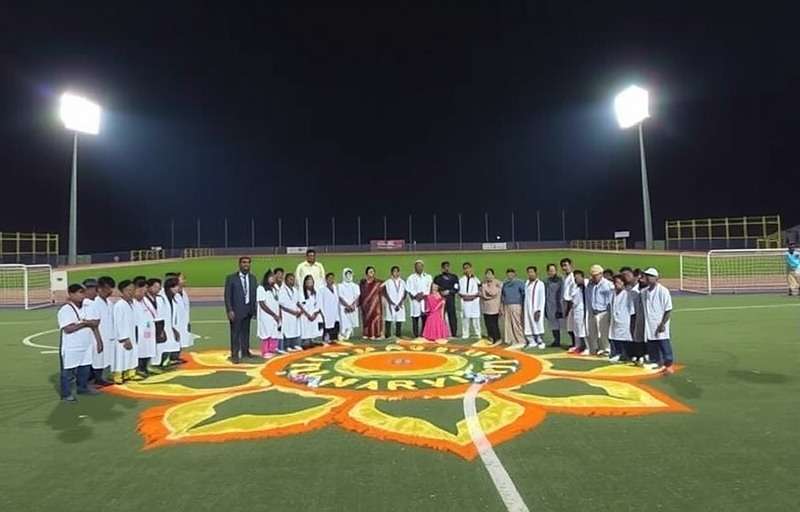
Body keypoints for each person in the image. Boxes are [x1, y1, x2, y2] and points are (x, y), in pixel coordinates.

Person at [58, 284, 98, 401]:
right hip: (72, 346)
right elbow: (68, 329)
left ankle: (82, 388)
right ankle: (66, 394)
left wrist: (82, 323)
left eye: (83, 292)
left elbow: (95, 322)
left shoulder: (86, 306)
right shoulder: (65, 310)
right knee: (68, 371)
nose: (82, 295)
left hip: (86, 344)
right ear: (71, 294)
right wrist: (84, 323)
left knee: (84, 369)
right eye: (80, 292)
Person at [224, 256, 258, 363]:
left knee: (246, 332)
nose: (246, 264)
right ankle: (234, 355)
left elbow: (254, 295)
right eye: (244, 262)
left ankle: (245, 351)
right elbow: (227, 296)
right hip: (236, 310)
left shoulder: (253, 278)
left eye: (248, 262)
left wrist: (254, 310)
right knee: (235, 333)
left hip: (248, 310)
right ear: (239, 264)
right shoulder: (231, 278)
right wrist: (229, 310)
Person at [641, 268, 675, 374]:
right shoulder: (644, 292)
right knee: (651, 342)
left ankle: (668, 363)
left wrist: (663, 323)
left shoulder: (663, 291)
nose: (647, 278)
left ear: (656, 278)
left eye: (650, 276)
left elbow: (668, 309)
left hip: (659, 322)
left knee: (663, 342)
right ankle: (655, 361)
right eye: (646, 276)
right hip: (649, 322)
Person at [81, 278, 109, 386]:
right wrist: (99, 340)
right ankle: (95, 379)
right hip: (91, 334)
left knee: (94, 357)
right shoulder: (89, 303)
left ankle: (92, 378)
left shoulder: (88, 302)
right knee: (96, 356)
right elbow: (94, 324)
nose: (95, 291)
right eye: (93, 289)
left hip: (90, 334)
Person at [112, 280, 140, 384]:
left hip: (132, 333)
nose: (131, 292)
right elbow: (118, 323)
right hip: (123, 337)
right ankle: (118, 375)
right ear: (122, 291)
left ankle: (129, 373)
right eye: (128, 290)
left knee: (131, 355)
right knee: (121, 356)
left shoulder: (132, 304)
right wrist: (124, 338)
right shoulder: (119, 305)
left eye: (132, 290)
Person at [91, 276, 116, 385]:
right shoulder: (95, 303)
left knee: (105, 357)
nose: (110, 291)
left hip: (109, 334)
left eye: (111, 288)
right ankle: (97, 378)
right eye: (107, 288)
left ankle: (101, 377)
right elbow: (94, 324)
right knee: (98, 357)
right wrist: (98, 340)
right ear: (100, 289)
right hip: (99, 335)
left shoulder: (109, 303)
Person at [585, 264, 613, 356]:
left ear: (601, 274)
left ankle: (607, 349)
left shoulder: (607, 285)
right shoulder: (590, 284)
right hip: (593, 311)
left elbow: (610, 299)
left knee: (603, 332)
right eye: (593, 275)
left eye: (596, 275)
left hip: (603, 311)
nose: (594, 277)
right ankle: (597, 348)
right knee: (593, 332)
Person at [608, 274, 635, 363]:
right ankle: (617, 353)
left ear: (623, 283)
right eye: (615, 282)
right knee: (615, 336)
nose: (616, 284)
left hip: (624, 320)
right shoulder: (613, 294)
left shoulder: (628, 294)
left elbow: (632, 310)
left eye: (619, 282)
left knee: (625, 338)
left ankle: (626, 355)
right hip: (615, 319)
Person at [133, 277, 157, 377]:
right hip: (139, 331)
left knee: (148, 348)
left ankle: (145, 367)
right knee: (140, 350)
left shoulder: (145, 300)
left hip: (148, 330)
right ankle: (138, 369)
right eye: (142, 289)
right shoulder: (133, 302)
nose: (144, 291)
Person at [621, 267, 645, 364]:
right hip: (629, 314)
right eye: (623, 275)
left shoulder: (640, 288)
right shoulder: (626, 288)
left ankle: (643, 354)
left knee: (640, 335)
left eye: (627, 275)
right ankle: (634, 354)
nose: (625, 277)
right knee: (631, 334)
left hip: (639, 314)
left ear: (633, 275)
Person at [256, 269, 281, 357]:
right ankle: (265, 351)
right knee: (266, 332)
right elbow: (262, 304)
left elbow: (278, 302)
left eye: (273, 277)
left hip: (275, 314)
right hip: (266, 315)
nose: (273, 279)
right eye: (271, 277)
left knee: (274, 332)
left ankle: (272, 349)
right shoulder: (261, 288)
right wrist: (273, 314)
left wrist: (278, 314)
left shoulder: (275, 287)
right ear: (266, 278)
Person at [159, 277, 182, 367]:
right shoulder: (162, 298)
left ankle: (166, 361)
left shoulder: (173, 298)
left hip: (170, 326)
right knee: (163, 345)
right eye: (176, 286)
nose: (177, 288)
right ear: (170, 287)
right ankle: (161, 363)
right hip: (163, 326)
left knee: (170, 344)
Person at [406, 260, 432, 338]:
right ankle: (416, 335)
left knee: (425, 318)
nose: (419, 268)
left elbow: (430, 288)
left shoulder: (428, 277)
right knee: (415, 318)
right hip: (415, 301)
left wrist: (423, 295)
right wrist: (416, 295)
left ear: (423, 267)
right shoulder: (411, 278)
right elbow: (409, 289)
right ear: (414, 268)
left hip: (425, 300)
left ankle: (424, 334)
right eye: (417, 266)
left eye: (420, 266)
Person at [501, 268, 526, 347]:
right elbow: (503, 295)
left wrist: (523, 304)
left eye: (512, 273)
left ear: (515, 274)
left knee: (517, 323)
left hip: (516, 305)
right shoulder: (505, 284)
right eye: (508, 273)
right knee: (508, 324)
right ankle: (511, 340)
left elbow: (524, 294)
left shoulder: (519, 283)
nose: (510, 275)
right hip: (507, 305)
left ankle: (521, 340)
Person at [433, 261, 459, 336]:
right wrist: (441, 293)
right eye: (444, 267)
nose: (446, 269)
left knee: (452, 316)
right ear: (442, 269)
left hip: (451, 299)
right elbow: (434, 289)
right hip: (440, 300)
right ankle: (441, 332)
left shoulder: (454, 277)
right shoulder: (437, 278)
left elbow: (456, 288)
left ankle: (454, 333)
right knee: (441, 316)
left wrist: (449, 291)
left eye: (447, 267)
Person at [523, 266, 546, 349]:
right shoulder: (526, 283)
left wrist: (539, 310)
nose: (530, 274)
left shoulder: (540, 284)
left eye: (532, 272)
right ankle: (531, 341)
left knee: (537, 324)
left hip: (536, 308)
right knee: (528, 324)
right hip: (527, 307)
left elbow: (542, 298)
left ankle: (540, 341)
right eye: (529, 272)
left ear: (536, 273)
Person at [279, 273, 303, 352]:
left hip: (295, 313)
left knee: (295, 329)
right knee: (287, 330)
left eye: (293, 280)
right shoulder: (282, 290)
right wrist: (292, 312)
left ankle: (294, 345)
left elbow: (298, 302)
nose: (292, 281)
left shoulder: (295, 290)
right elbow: (281, 305)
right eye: (290, 279)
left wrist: (300, 311)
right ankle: (287, 346)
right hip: (287, 314)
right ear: (286, 280)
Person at [360, 266, 384, 339]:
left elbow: (384, 287)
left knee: (376, 318)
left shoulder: (377, 283)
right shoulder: (363, 283)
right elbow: (360, 294)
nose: (372, 273)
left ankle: (377, 334)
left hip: (375, 304)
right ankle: (367, 334)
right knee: (366, 319)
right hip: (366, 305)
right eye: (370, 272)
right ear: (366, 273)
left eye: (373, 272)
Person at [459, 262, 482, 339]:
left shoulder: (476, 279)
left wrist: (474, 296)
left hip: (474, 301)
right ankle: (465, 334)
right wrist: (465, 297)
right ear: (463, 270)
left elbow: (480, 289)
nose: (467, 270)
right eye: (465, 268)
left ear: (471, 268)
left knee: (476, 318)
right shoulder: (461, 280)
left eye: (468, 268)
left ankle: (477, 333)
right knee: (465, 318)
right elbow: (459, 292)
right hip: (465, 301)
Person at [298, 275, 322, 347]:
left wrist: (315, 314)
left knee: (313, 329)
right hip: (305, 316)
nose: (309, 282)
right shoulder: (301, 293)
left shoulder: (315, 293)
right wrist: (308, 315)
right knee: (306, 329)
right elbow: (301, 305)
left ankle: (312, 341)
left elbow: (318, 305)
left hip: (314, 316)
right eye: (308, 280)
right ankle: (305, 342)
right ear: (305, 283)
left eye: (311, 280)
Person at [544, 264, 564, 347]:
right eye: (550, 271)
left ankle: (573, 342)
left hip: (558, 305)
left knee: (562, 325)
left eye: (553, 270)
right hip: (549, 305)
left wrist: (560, 308)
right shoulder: (546, 281)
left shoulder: (560, 281)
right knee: (553, 324)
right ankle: (556, 340)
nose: (551, 272)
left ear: (556, 271)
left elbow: (561, 294)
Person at [480, 268, 502, 344]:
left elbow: (492, 293)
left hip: (494, 307)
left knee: (494, 324)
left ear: (493, 275)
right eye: (487, 274)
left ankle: (497, 338)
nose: (488, 276)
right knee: (488, 324)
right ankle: (491, 337)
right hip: (486, 308)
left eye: (490, 274)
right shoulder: (484, 283)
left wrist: (484, 287)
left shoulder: (497, 283)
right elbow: (482, 294)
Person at [383, 266, 406, 338]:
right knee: (388, 318)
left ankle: (398, 334)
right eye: (394, 271)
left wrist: (401, 302)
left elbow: (405, 293)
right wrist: (390, 301)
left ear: (399, 272)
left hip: (399, 304)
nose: (396, 273)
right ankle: (387, 335)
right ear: (391, 273)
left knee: (399, 319)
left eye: (397, 271)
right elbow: (383, 291)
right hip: (390, 303)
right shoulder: (388, 282)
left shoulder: (402, 282)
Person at [338, 268, 360, 340]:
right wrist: (347, 306)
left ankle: (349, 332)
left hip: (353, 307)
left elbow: (357, 297)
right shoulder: (340, 286)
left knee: (351, 320)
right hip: (343, 307)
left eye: (350, 274)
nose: (348, 276)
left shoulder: (355, 286)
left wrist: (352, 306)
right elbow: (340, 297)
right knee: (344, 320)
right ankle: (343, 332)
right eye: (347, 274)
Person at [570, 270, 589, 354]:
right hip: (576, 310)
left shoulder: (586, 285)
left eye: (578, 277)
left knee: (584, 330)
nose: (576, 279)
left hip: (583, 310)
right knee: (577, 329)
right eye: (575, 278)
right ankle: (579, 346)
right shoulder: (575, 287)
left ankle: (587, 347)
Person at [560, 258, 577, 350]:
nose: (564, 268)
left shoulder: (573, 277)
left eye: (566, 265)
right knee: (569, 327)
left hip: (572, 304)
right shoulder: (565, 277)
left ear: (571, 265)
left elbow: (572, 294)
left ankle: (576, 344)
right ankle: (574, 343)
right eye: (563, 266)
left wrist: (568, 307)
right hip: (566, 303)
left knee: (572, 326)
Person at [319, 272, 341, 343]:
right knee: (327, 326)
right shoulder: (322, 289)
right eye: (329, 278)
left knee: (335, 324)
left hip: (335, 312)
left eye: (332, 278)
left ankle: (334, 338)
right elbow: (320, 302)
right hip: (326, 312)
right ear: (326, 280)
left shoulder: (335, 288)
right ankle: (326, 338)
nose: (331, 280)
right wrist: (322, 313)